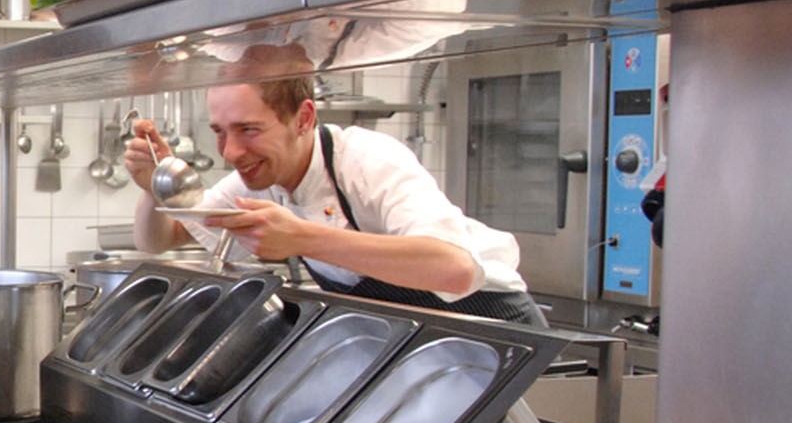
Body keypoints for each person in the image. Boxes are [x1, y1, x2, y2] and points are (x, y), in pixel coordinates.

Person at [124, 75, 545, 324]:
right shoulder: (260, 177)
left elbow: (452, 268)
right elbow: (162, 238)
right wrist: (153, 187)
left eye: (249, 130)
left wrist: (302, 238)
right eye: (220, 132)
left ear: (304, 118)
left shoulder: (366, 159)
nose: (231, 152)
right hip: (418, 338)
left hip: (495, 332)